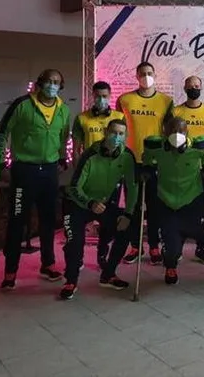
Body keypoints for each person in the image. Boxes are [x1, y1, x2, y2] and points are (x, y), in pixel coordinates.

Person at [0, 69, 71, 289]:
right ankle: (10, 271)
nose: (52, 85)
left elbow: (63, 136)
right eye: (48, 81)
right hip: (24, 171)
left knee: (48, 221)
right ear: (39, 83)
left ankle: (47, 264)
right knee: (17, 221)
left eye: (56, 82)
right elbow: (2, 133)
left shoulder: (63, 109)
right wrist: (1, 164)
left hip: (48, 172)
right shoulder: (22, 105)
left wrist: (60, 160)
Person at [59, 119, 137, 300]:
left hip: (102, 205)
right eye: (113, 132)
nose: (116, 137)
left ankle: (108, 274)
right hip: (77, 204)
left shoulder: (127, 156)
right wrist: (89, 203)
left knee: (126, 229)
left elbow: (133, 188)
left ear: (125, 137)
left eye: (121, 134)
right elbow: (73, 188)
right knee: (75, 242)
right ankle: (71, 281)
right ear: (105, 132)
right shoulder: (90, 154)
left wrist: (128, 214)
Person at [143, 117, 204, 284]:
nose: (176, 135)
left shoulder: (198, 145)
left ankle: (188, 243)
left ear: (187, 132)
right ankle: (171, 265)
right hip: (167, 199)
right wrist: (148, 169)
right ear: (164, 132)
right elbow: (147, 156)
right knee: (171, 242)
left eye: (181, 131)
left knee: (194, 230)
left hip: (191, 198)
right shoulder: (156, 146)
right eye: (172, 131)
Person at [116, 62, 173, 266]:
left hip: (156, 162)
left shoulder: (166, 101)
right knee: (133, 207)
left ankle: (155, 247)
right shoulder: (124, 100)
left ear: (155, 75)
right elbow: (118, 130)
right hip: (131, 162)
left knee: (155, 207)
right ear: (136, 76)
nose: (146, 76)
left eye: (149, 73)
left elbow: (169, 133)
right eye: (142, 73)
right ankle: (135, 246)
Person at [71, 81, 126, 269]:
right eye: (97, 96)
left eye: (105, 96)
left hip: (111, 176)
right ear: (92, 96)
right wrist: (77, 171)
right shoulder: (82, 118)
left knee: (108, 223)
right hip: (88, 176)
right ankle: (77, 258)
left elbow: (123, 144)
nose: (101, 99)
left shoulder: (119, 117)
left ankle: (102, 256)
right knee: (82, 218)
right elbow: (76, 148)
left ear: (110, 96)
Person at [171, 76, 204, 264]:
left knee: (199, 210)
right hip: (180, 169)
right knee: (180, 207)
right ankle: (178, 245)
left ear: (201, 87)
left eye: (196, 86)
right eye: (190, 86)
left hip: (201, 169)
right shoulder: (176, 111)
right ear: (184, 88)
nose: (193, 89)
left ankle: (201, 246)